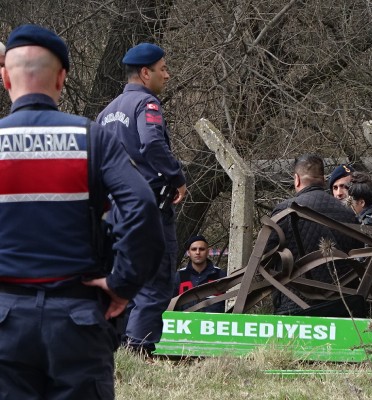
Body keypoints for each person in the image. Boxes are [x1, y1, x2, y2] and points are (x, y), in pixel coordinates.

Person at [0, 24, 163, 399]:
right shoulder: (93, 139)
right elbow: (142, 206)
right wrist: (123, 284)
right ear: (62, 77)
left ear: (6, 78)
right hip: (77, 320)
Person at [97, 42, 187, 355]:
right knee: (157, 280)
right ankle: (140, 348)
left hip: (117, 212)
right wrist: (177, 177)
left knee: (125, 278)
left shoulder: (106, 113)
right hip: (150, 208)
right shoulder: (146, 104)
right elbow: (151, 144)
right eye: (163, 69)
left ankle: (120, 347)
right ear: (146, 73)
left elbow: (96, 162)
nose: (168, 74)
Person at [266, 154, 364, 316]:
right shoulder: (348, 213)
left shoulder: (285, 211)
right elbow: (357, 255)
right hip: (342, 306)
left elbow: (267, 258)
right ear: (324, 179)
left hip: (296, 305)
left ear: (296, 179)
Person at [173, 235, 227, 313]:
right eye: (194, 249)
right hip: (185, 323)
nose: (198, 252)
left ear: (208, 251)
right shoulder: (179, 276)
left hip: (212, 323)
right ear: (188, 252)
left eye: (201, 249)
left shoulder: (220, 275)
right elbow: (170, 306)